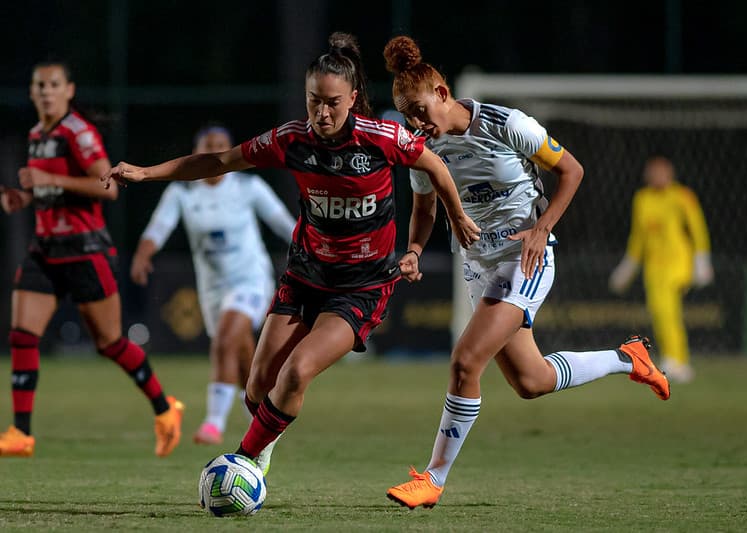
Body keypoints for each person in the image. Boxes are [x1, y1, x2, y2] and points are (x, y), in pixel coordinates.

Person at [101, 33, 480, 476]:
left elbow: (435, 166)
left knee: (297, 371)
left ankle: (242, 464)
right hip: (304, 277)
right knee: (258, 387)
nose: (322, 113)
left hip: (361, 287)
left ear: (352, 99)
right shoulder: (291, 139)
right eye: (314, 101)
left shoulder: (381, 137)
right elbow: (219, 162)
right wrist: (145, 173)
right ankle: (259, 452)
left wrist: (452, 218)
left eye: (333, 103)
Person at [382, 35, 671, 510]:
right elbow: (424, 208)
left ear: (442, 93)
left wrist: (542, 228)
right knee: (531, 381)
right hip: (478, 265)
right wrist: (413, 249)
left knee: (464, 361)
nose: (416, 122)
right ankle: (628, 359)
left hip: (525, 258)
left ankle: (433, 478)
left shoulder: (506, 124)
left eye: (419, 110)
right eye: (407, 115)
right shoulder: (420, 146)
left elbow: (572, 170)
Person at [0, 61, 183, 458]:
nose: (46, 91)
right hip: (45, 248)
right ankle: (21, 433)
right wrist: (25, 197)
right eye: (39, 85)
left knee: (110, 343)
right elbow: (52, 191)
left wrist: (49, 179)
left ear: (69, 91)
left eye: (54, 84)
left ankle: (164, 408)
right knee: (22, 335)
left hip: (85, 249)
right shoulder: (37, 134)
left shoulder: (78, 133)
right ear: (31, 92)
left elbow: (108, 187)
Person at [130, 124, 296, 445]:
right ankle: (261, 422)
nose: (214, 151)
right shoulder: (182, 192)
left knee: (225, 338)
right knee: (243, 354)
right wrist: (142, 255)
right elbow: (158, 228)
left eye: (220, 144)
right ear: (195, 154)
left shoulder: (248, 186)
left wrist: (312, 250)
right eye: (207, 146)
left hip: (250, 279)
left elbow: (283, 223)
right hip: (212, 289)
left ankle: (213, 423)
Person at [609, 155, 713, 383]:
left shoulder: (682, 196)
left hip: (678, 263)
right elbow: (638, 237)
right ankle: (673, 359)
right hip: (654, 267)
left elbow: (697, 229)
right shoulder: (642, 199)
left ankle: (677, 359)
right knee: (659, 311)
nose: (657, 177)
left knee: (668, 310)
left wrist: (702, 261)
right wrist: (627, 267)